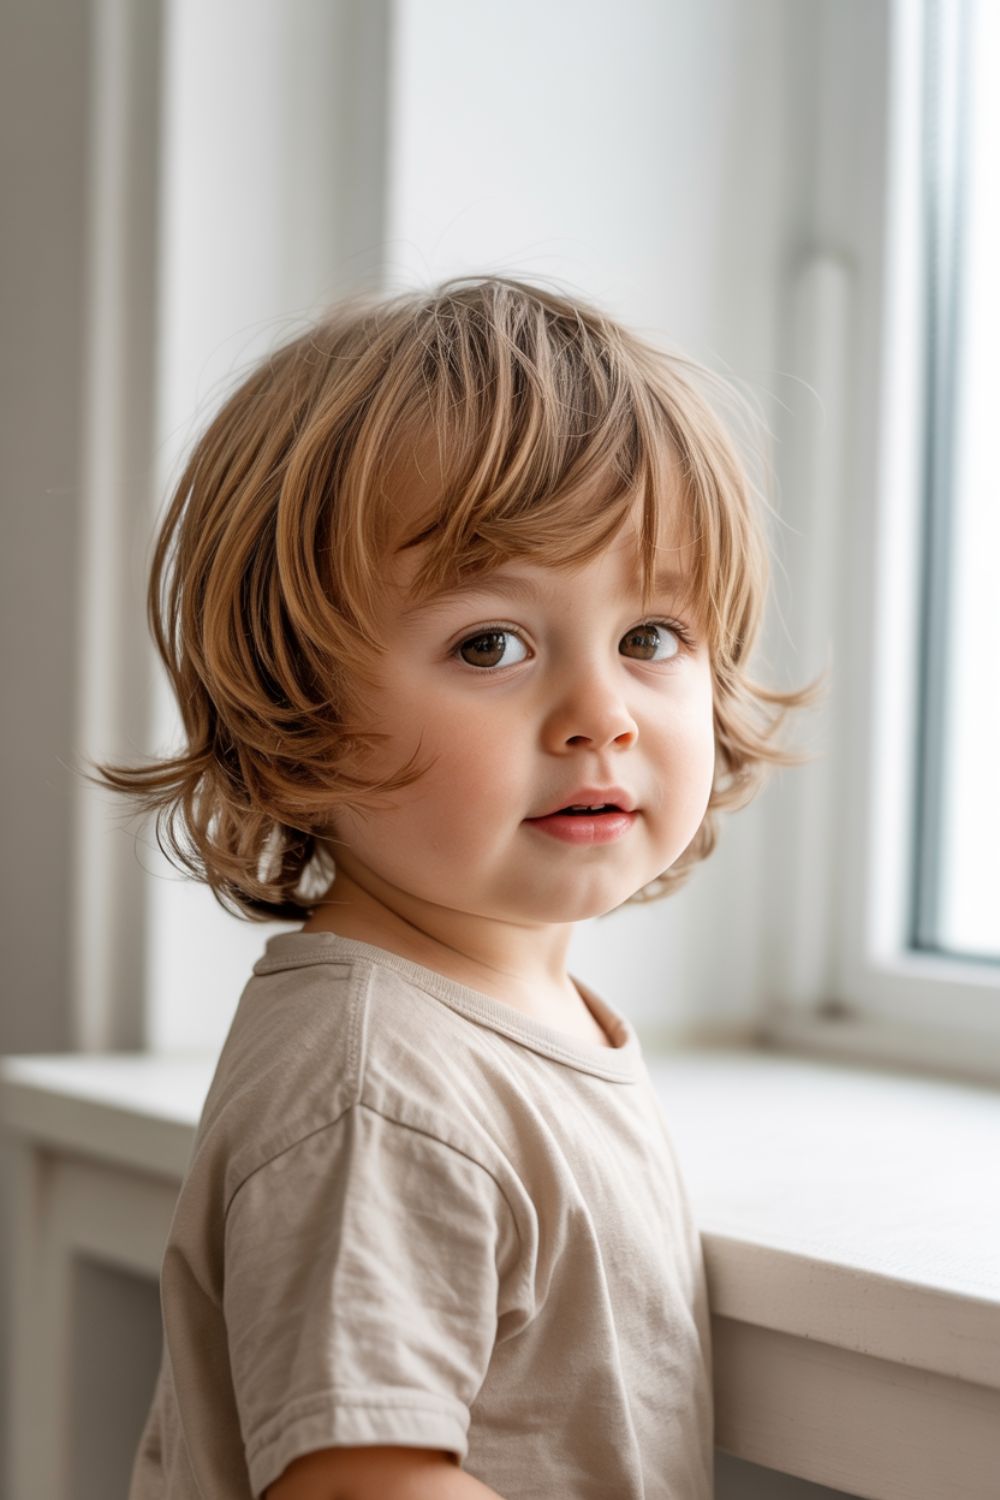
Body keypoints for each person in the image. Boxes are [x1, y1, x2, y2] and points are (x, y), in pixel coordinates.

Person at [86, 274, 822, 1499]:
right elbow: (359, 1484)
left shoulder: (500, 1036)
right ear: (295, 707)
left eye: (650, 637)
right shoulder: (376, 1091)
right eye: (492, 645)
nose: (601, 717)